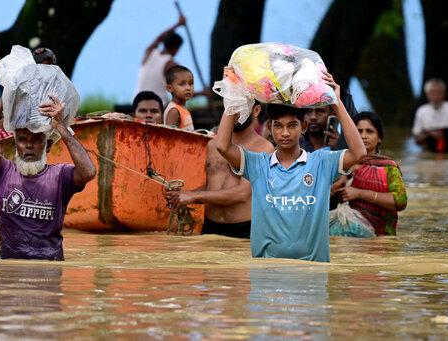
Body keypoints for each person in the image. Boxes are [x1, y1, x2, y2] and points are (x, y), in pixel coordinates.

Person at [214, 69, 366, 262]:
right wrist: (232, 94)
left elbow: (359, 152)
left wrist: (336, 104)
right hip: (266, 274)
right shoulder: (258, 164)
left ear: (303, 127)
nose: (285, 133)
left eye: (292, 125)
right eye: (278, 126)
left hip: (312, 273)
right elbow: (223, 146)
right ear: (270, 128)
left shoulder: (322, 162)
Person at [0, 93, 96, 260]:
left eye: (36, 139)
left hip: (49, 267)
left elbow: (89, 172)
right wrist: (8, 95)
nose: (29, 145)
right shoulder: (2, 171)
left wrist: (60, 127)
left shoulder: (60, 176)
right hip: (10, 268)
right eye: (22, 139)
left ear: (48, 145)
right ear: (15, 144)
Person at [164, 103, 273, 238]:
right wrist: (182, 195)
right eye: (231, 106)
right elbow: (211, 186)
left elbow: (242, 194)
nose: (234, 112)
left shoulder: (264, 148)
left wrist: (192, 196)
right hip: (210, 226)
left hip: (243, 229)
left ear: (255, 110)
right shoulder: (212, 145)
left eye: (240, 106)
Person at [330, 111, 407, 236]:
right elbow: (314, 201)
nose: (363, 136)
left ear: (379, 138)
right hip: (344, 234)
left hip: (380, 239)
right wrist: (336, 186)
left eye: (369, 131)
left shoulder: (388, 167)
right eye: (358, 131)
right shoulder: (340, 164)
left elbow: (400, 201)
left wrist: (360, 193)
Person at [135, 15, 185, 101]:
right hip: (157, 106)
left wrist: (177, 24)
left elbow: (159, 38)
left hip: (137, 103)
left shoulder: (149, 53)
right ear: (176, 49)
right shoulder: (171, 64)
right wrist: (203, 93)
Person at [164, 65, 195, 130]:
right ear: (170, 88)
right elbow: (169, 136)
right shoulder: (174, 111)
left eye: (191, 84)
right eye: (182, 84)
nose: (188, 88)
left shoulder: (182, 108)